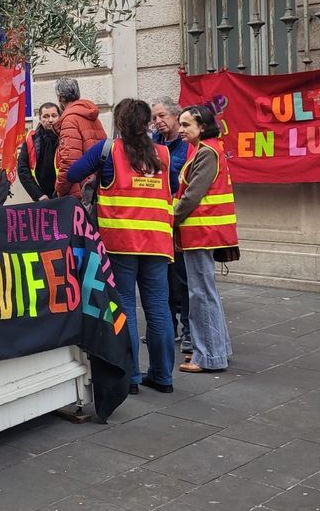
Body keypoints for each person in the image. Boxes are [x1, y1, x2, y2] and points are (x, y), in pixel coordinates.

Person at [67, 99, 176, 394]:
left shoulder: (107, 151)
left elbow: (72, 174)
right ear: (148, 123)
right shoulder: (163, 154)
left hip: (120, 243)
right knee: (159, 308)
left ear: (119, 123)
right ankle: (163, 377)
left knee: (125, 306)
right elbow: (174, 187)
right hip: (157, 243)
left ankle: (131, 377)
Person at [174, 105, 237, 374]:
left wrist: (169, 218)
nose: (181, 129)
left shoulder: (206, 152)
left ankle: (209, 355)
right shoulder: (207, 149)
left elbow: (191, 196)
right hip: (203, 232)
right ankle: (217, 349)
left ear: (202, 126)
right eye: (181, 124)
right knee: (206, 293)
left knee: (200, 295)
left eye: (186, 125)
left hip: (201, 233)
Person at [151, 97, 192, 355]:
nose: (158, 121)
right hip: (159, 224)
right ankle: (168, 328)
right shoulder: (153, 144)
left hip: (181, 224)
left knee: (183, 281)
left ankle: (189, 330)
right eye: (154, 118)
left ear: (176, 116)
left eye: (162, 116)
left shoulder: (187, 146)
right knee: (162, 281)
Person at [53, 77, 107, 197]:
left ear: (60, 98)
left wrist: (60, 189)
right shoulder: (91, 116)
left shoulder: (70, 120)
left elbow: (69, 161)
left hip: (80, 189)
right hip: (96, 184)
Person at [17, 103, 60, 201]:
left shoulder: (67, 137)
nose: (50, 120)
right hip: (41, 197)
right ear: (40, 119)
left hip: (63, 196)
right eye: (46, 116)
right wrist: (38, 195)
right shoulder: (30, 139)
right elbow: (23, 170)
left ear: (59, 117)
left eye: (54, 116)